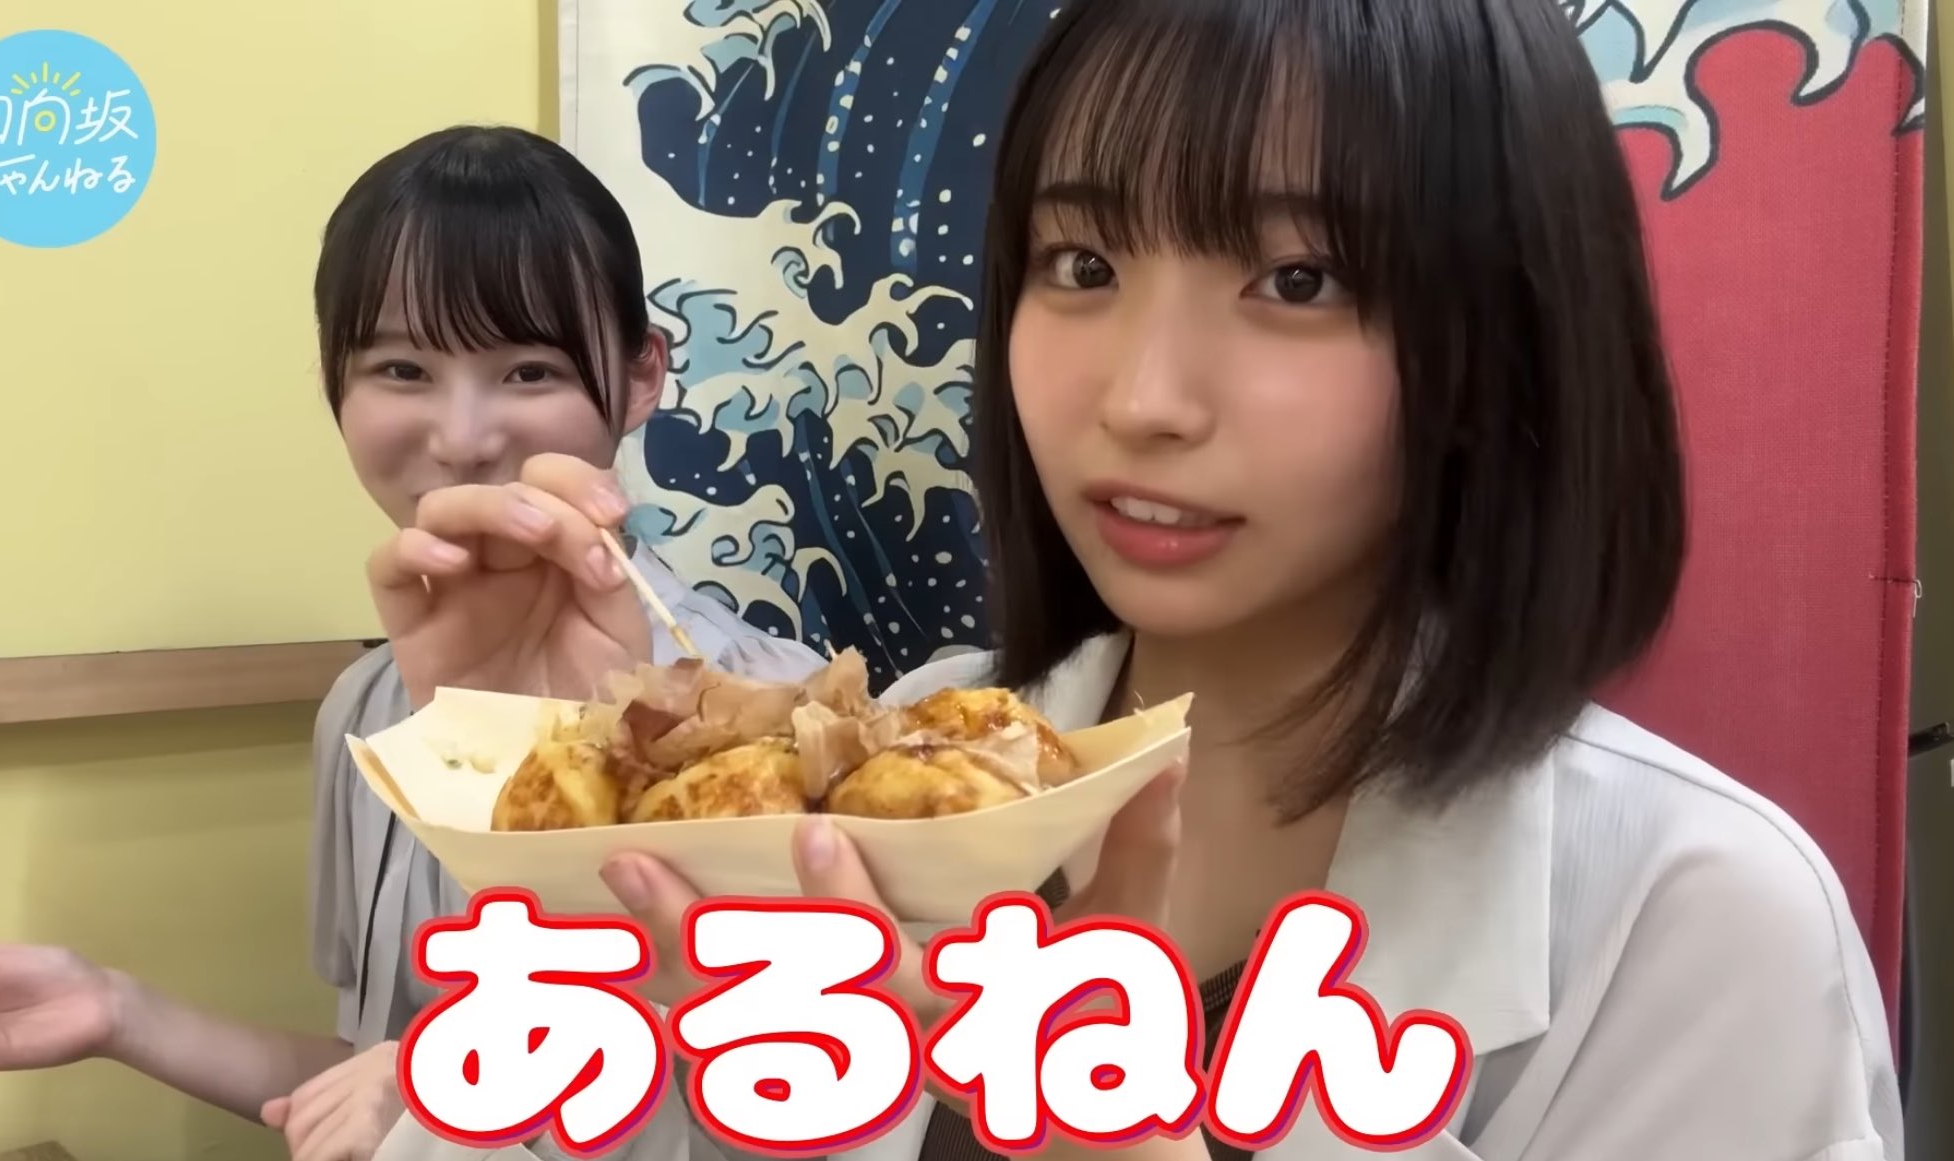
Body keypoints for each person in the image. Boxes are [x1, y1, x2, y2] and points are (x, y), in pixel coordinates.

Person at [357, 1, 1905, 1158]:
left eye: (1296, 279)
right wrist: (551, 814)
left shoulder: (1696, 919)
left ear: (1500, 332)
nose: (1143, 397)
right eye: (1080, 265)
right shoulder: (914, 759)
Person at [0, 125, 826, 1161]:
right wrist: (118, 1012)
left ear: (640, 376)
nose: (463, 437)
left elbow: (786, 1116)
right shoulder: (365, 709)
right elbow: (364, 1082)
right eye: (402, 368)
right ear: (333, 382)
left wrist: (453, 1089)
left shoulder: (777, 725)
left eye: (528, 370)